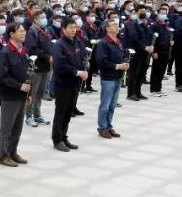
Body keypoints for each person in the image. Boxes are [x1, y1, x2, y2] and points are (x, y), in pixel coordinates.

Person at [0, 21, 31, 167]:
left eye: (24, 31)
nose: (23, 33)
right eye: (20, 31)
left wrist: (29, 93)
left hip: (22, 95)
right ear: (11, 34)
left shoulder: (23, 50)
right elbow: (2, 77)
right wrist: (19, 86)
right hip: (10, 96)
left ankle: (12, 151)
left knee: (17, 127)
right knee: (7, 128)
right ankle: (3, 155)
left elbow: (26, 74)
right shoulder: (5, 53)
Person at [51, 17, 87, 152]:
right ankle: (57, 140)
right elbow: (60, 65)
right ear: (63, 29)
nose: (73, 30)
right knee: (60, 113)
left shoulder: (77, 42)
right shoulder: (59, 45)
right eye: (70, 28)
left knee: (68, 113)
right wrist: (77, 72)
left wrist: (84, 70)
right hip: (63, 83)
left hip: (75, 83)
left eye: (74, 27)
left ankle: (64, 137)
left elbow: (82, 58)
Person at [94, 19, 129, 139]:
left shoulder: (118, 41)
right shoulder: (103, 43)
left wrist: (125, 62)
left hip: (118, 77)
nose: (117, 26)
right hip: (108, 77)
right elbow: (101, 61)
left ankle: (109, 125)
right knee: (105, 104)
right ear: (107, 29)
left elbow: (123, 55)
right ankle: (102, 127)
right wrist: (116, 66)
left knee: (112, 105)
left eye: (117, 25)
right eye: (114, 25)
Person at [24, 11, 52, 127]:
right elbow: (32, 49)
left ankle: (37, 114)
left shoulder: (46, 31)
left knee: (40, 93)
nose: (44, 19)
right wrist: (47, 57)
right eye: (42, 18)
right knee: (32, 93)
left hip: (46, 66)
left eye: (45, 17)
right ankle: (29, 116)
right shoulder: (32, 32)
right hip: (36, 66)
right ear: (35, 19)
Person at [148, 6, 172, 97]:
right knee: (156, 70)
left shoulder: (165, 25)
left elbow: (167, 37)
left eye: (165, 13)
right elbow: (152, 40)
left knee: (162, 71)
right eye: (161, 13)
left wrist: (170, 41)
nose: (163, 15)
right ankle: (154, 89)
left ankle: (159, 88)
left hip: (165, 51)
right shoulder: (155, 26)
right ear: (157, 14)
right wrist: (154, 52)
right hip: (158, 51)